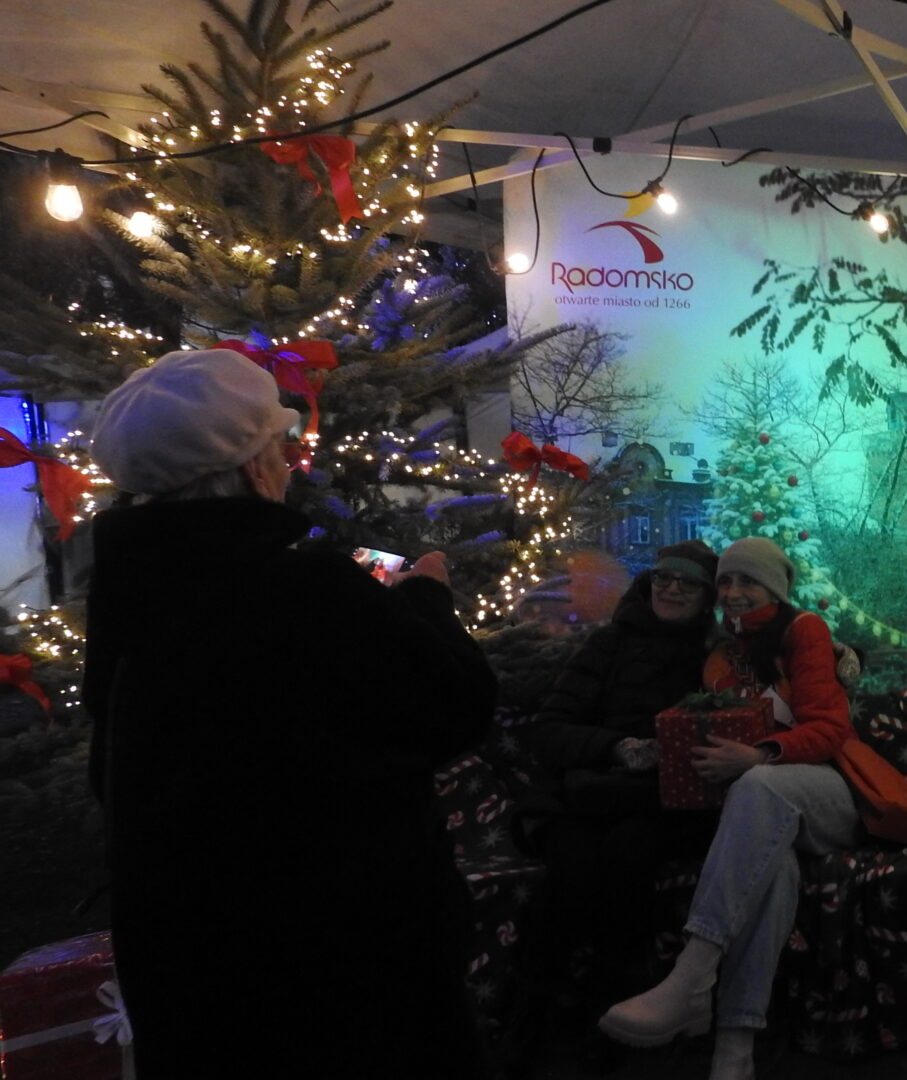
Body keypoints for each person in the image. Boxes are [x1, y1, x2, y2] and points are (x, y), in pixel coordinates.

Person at [83, 349, 497, 1080]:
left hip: (190, 963)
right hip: (340, 965)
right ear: (253, 468)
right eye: (281, 447)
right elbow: (455, 703)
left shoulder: (126, 592)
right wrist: (427, 598)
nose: (288, 464)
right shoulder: (305, 588)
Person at [598, 536, 859, 1080]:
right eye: (726, 582)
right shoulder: (720, 654)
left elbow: (831, 730)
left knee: (759, 784)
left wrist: (759, 753)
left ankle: (689, 975)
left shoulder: (804, 630)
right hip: (764, 815)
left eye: (749, 581)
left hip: (827, 795)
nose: (734, 592)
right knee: (774, 870)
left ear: (774, 587)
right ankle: (734, 1052)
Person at [518, 540, 724, 1000]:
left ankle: (614, 1000)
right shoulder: (609, 643)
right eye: (663, 577)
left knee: (629, 853)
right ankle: (538, 1007)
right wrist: (615, 747)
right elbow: (549, 728)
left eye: (688, 583)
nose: (671, 588)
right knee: (572, 865)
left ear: (707, 597)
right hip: (586, 793)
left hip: (664, 802)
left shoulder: (715, 658)